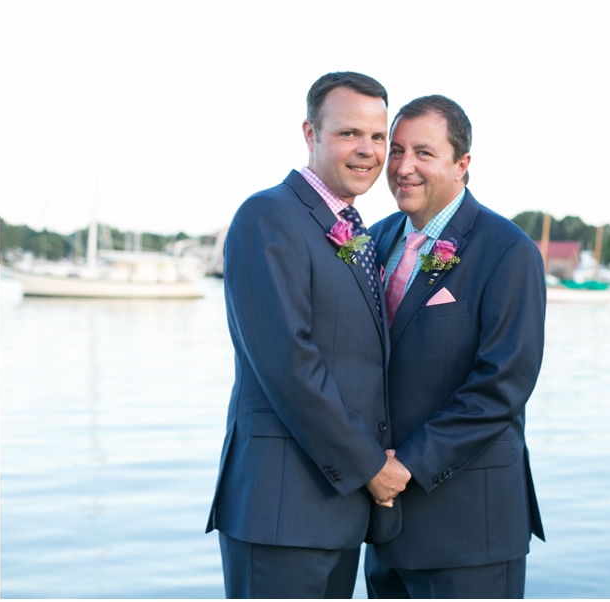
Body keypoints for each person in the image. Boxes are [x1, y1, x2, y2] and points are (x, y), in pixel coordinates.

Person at [205, 71, 411, 599]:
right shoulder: (267, 217)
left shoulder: (354, 227)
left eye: (378, 137)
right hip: (282, 511)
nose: (367, 150)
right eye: (348, 134)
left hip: (337, 513)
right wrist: (371, 467)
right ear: (310, 133)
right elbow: (289, 364)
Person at [365, 95, 546, 598]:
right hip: (382, 528)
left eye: (423, 152)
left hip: (470, 531)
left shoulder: (508, 251)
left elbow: (501, 386)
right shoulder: (372, 241)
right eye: (396, 150)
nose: (403, 167)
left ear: (462, 164)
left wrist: (406, 465)